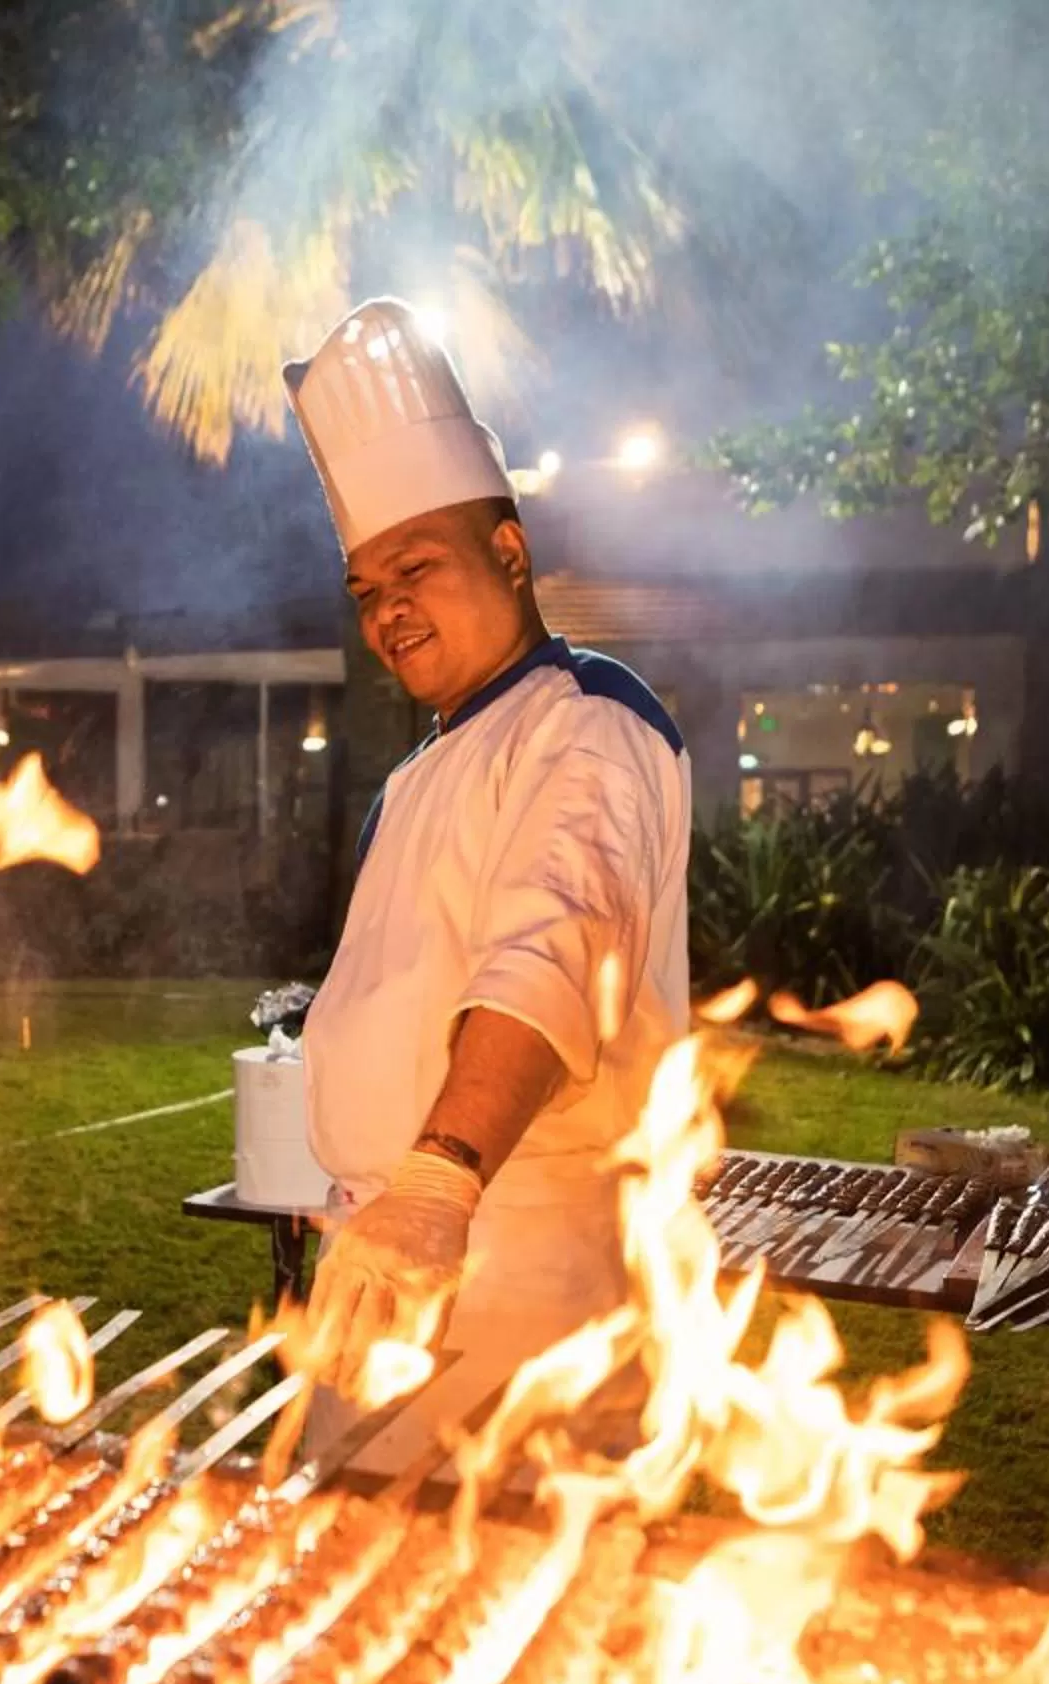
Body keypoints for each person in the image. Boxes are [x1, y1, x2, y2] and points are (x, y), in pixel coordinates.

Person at [280, 299, 692, 1476]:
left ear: (508, 553)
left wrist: (436, 1181)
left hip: (523, 1300)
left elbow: (549, 950)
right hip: (390, 1273)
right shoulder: (421, 773)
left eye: (415, 567)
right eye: (365, 589)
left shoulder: (588, 722)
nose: (387, 609)